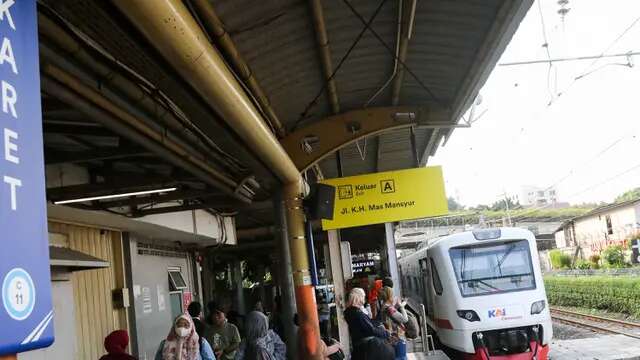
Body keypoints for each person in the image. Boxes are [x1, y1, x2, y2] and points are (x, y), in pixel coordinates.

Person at [343, 287, 394, 360]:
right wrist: (386, 334)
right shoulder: (357, 313)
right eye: (363, 297)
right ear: (358, 298)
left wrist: (381, 311)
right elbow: (371, 329)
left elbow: (370, 323)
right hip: (366, 350)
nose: (364, 299)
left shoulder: (351, 311)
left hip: (361, 348)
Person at [379, 286, 408, 360]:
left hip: (390, 337)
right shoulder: (389, 308)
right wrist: (402, 306)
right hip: (397, 338)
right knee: (401, 357)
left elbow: (392, 316)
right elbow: (405, 319)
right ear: (390, 296)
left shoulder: (384, 306)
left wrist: (396, 305)